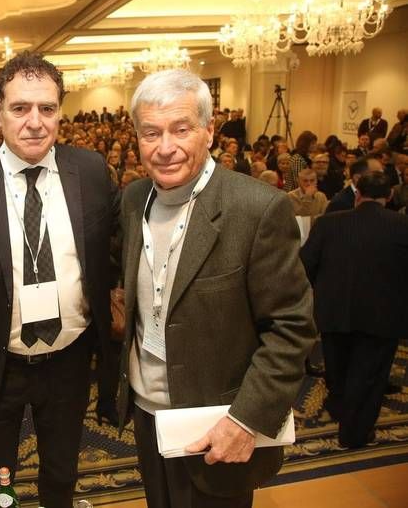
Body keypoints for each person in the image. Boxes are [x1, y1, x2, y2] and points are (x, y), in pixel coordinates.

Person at [0, 52, 119, 508]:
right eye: (20, 108)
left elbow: (117, 248)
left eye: (47, 108)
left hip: (70, 359)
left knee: (62, 474)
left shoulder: (91, 171)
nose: (35, 122)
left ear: (60, 111)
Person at [117, 69, 316, 508]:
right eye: (151, 133)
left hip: (219, 423)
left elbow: (291, 329)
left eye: (181, 129)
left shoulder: (257, 208)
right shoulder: (133, 200)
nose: (164, 147)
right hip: (147, 414)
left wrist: (246, 420)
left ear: (209, 131)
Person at [300, 171, 408, 448]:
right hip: (383, 315)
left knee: (338, 369)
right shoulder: (401, 225)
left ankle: (341, 412)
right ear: (390, 195)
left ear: (357, 193)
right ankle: (355, 433)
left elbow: (305, 266)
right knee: (370, 377)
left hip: (334, 311)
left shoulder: (328, 223)